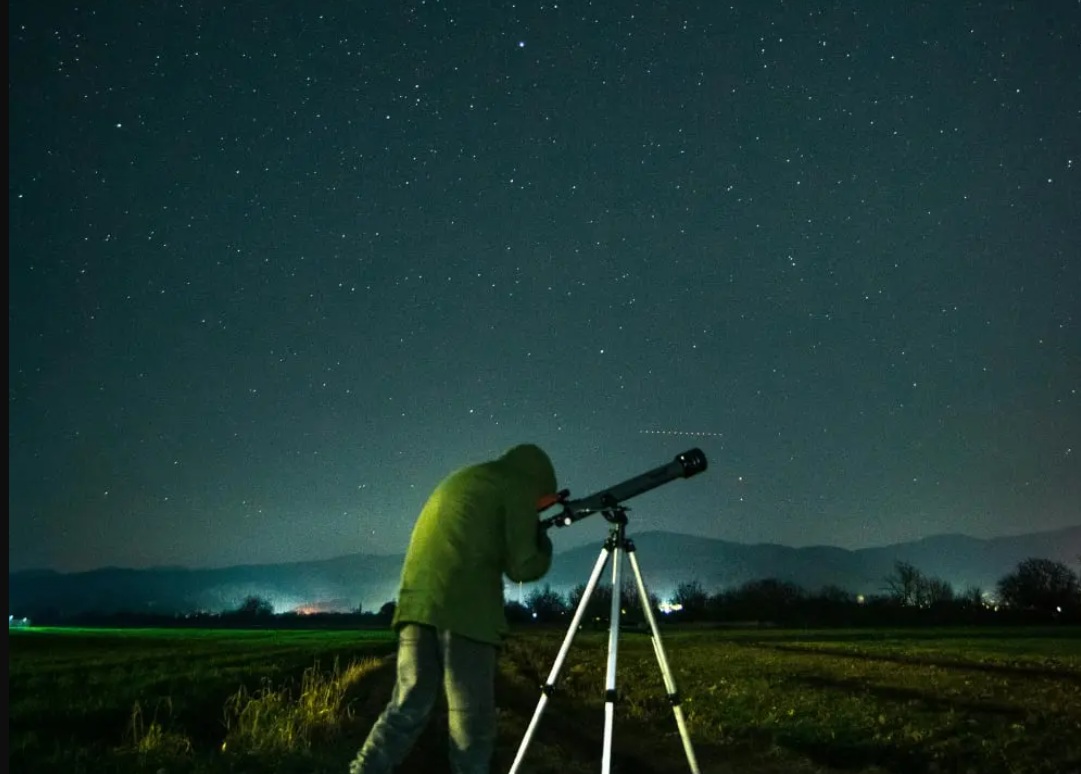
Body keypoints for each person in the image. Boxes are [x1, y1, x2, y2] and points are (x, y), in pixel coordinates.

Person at [349, 443, 558, 774]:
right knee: (471, 722)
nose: (539, 509)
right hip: (466, 611)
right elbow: (524, 566)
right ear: (540, 482)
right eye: (543, 504)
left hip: (417, 605)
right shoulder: (518, 485)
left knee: (406, 707)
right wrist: (542, 542)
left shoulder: (466, 477)